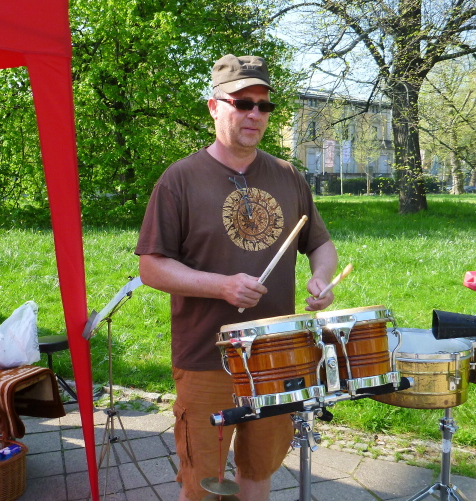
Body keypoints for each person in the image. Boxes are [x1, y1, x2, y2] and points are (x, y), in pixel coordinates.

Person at [135, 54, 338, 501]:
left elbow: (321, 244)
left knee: (259, 471)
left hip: (276, 354)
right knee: (202, 482)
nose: (254, 114)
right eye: (242, 103)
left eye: (264, 105)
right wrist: (221, 286)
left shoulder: (287, 175)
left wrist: (321, 278)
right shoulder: (179, 180)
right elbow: (151, 266)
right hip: (207, 357)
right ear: (214, 106)